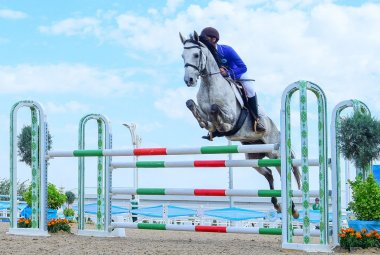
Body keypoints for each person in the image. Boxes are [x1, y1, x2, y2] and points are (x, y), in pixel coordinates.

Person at [199, 27, 266, 141]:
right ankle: (213, 129)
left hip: (238, 74)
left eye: (205, 40)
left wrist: (229, 72)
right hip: (220, 79)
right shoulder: (207, 54)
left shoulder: (227, 50)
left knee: (250, 89)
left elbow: (243, 67)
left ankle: (257, 119)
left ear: (214, 39)